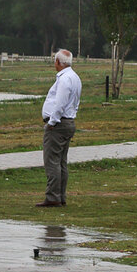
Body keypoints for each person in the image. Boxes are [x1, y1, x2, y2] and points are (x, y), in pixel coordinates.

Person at [38, 48, 81, 207]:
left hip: (58, 124)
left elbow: (60, 103)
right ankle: (60, 196)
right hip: (68, 122)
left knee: (52, 162)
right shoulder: (75, 77)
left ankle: (53, 197)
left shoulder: (64, 79)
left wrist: (52, 122)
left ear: (58, 62)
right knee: (61, 162)